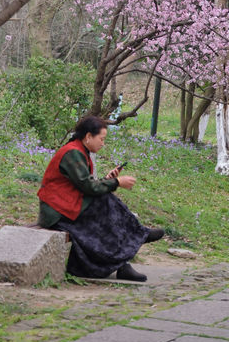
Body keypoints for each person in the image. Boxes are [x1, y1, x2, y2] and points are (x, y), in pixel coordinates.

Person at [37, 114, 164, 282]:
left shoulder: (79, 150)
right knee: (105, 204)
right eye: (101, 139)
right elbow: (88, 187)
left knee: (105, 205)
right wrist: (116, 182)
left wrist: (108, 180)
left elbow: (85, 185)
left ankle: (127, 256)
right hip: (56, 213)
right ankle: (137, 237)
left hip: (66, 206)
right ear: (88, 136)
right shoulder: (72, 152)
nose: (103, 143)